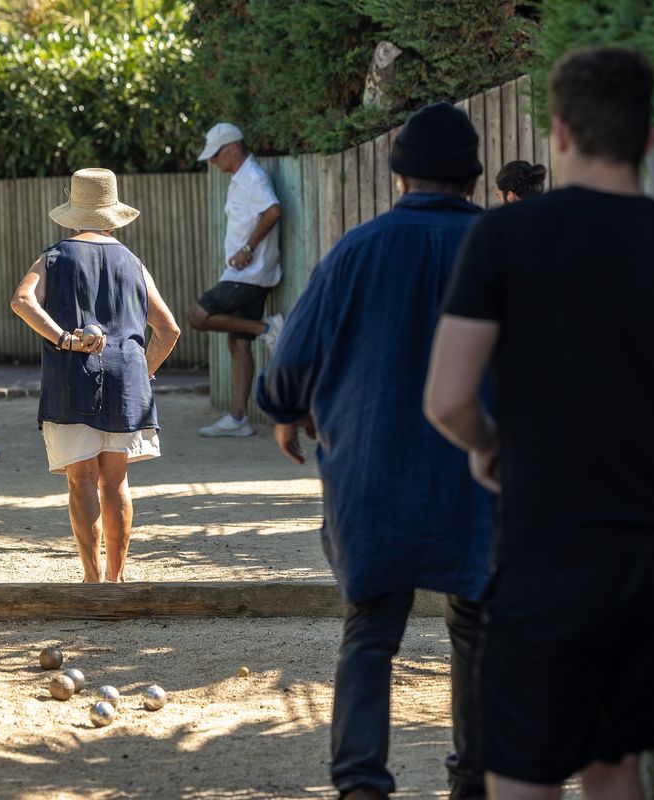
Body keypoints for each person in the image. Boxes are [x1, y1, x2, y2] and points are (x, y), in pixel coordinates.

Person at [424, 47, 654, 800]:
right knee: (617, 767)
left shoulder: (505, 240)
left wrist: (492, 451)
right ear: (648, 137)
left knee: (523, 775)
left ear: (562, 132)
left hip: (550, 548)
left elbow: (447, 399)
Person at [258, 103, 495, 800]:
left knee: (370, 631)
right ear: (472, 179)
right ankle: (474, 782)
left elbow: (293, 360)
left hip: (373, 469)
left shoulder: (355, 252)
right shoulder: (502, 247)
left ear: (399, 178)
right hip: (479, 472)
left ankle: (362, 785)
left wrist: (284, 412)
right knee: (477, 628)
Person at [11, 167, 180, 584]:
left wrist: (65, 339)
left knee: (81, 480)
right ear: (112, 214)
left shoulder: (54, 256)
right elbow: (169, 329)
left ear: (73, 211)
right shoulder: (133, 262)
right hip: (127, 379)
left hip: (72, 377)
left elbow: (21, 301)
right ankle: (117, 579)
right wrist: (145, 371)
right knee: (115, 481)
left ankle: (91, 579)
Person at [189, 122, 284, 437]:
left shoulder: (253, 177)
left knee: (198, 316)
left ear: (231, 148)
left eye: (215, 156)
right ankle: (239, 419)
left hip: (250, 274)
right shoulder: (238, 178)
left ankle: (268, 329)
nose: (212, 162)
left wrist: (247, 249)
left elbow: (272, 211)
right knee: (237, 343)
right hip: (246, 273)